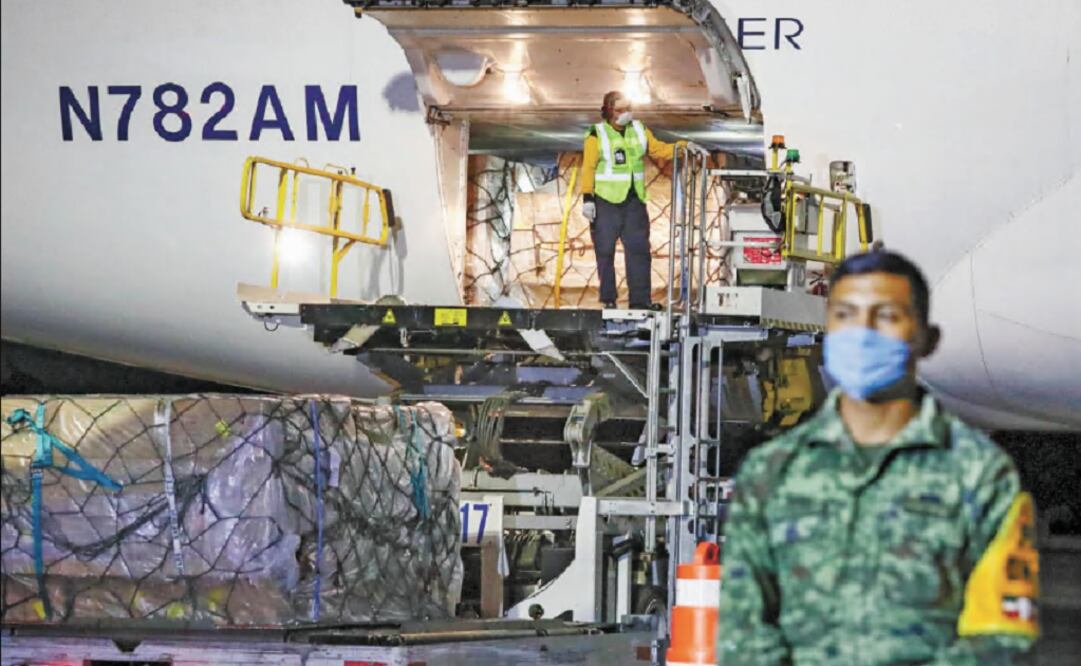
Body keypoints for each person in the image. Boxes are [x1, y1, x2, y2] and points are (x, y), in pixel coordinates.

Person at [717, 250, 1039, 665]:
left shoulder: (982, 478)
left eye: (885, 316)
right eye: (846, 316)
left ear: (927, 337)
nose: (862, 334)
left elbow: (1003, 640)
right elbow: (744, 632)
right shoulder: (771, 474)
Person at [580, 91, 708, 310]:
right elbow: (589, 167)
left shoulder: (639, 130)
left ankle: (640, 301)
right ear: (609, 111)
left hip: (633, 200)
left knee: (639, 250)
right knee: (605, 251)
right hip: (605, 201)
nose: (625, 114)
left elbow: (659, 149)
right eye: (620, 110)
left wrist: (683, 146)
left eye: (628, 108)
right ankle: (609, 299)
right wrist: (587, 198)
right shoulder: (597, 134)